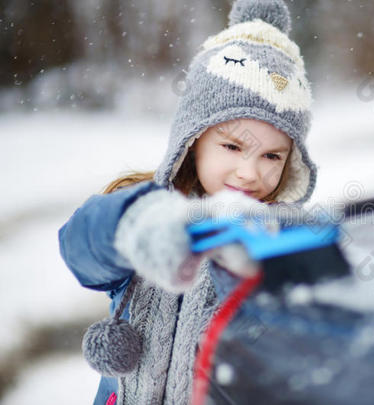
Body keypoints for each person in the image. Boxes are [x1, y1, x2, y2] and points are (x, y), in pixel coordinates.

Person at [58, 1, 317, 403]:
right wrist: (136, 225)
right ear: (193, 140)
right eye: (232, 146)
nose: (251, 173)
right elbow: (79, 246)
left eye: (272, 156)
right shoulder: (146, 206)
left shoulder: (281, 237)